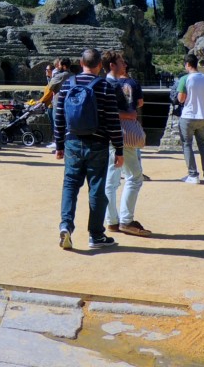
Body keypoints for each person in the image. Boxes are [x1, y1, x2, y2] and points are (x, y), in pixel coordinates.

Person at [54, 48, 123, 250]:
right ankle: (96, 235)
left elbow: (59, 117)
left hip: (72, 142)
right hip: (98, 144)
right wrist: (119, 149)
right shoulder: (104, 87)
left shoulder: (68, 84)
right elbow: (113, 121)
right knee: (97, 188)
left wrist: (59, 145)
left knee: (70, 185)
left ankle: (66, 226)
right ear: (100, 65)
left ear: (80, 63)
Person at [102, 52, 151, 237]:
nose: (125, 64)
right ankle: (126, 220)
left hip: (112, 134)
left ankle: (112, 221)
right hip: (121, 133)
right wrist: (128, 115)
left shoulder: (107, 83)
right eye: (122, 62)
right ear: (113, 65)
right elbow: (110, 111)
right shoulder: (112, 84)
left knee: (111, 180)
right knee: (135, 177)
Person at [177, 54, 204, 184]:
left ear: (188, 64)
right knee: (203, 144)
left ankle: (193, 175)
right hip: (203, 117)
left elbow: (181, 99)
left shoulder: (185, 79)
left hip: (188, 116)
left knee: (187, 145)